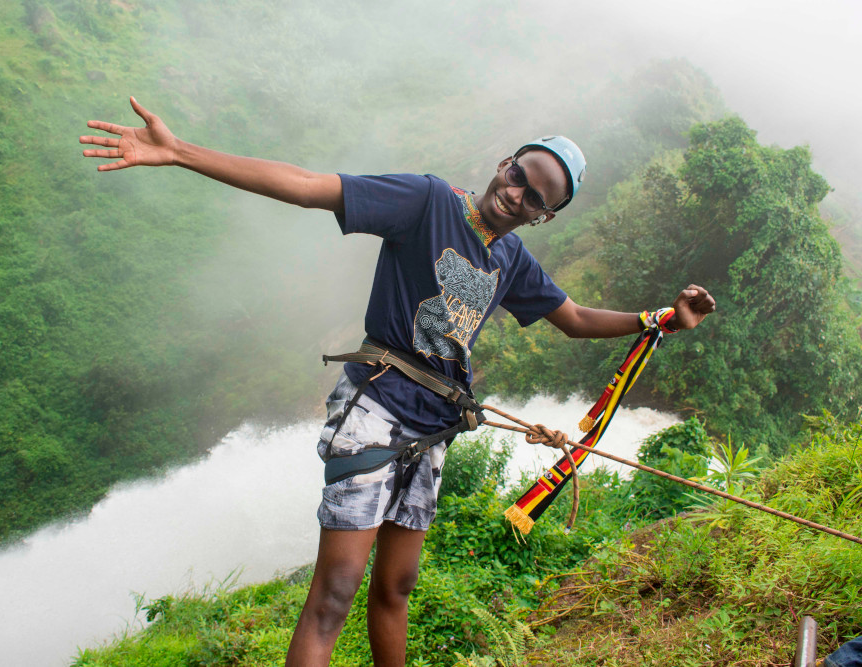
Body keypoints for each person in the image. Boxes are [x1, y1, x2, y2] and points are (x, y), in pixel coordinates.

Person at [80, 97, 716, 666]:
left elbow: (573, 319)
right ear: (504, 163)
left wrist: (660, 318)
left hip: (432, 429)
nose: (516, 195)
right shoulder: (427, 201)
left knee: (396, 588)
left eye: (535, 199)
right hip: (374, 409)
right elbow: (307, 186)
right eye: (518, 175)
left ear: (544, 216)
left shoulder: (511, 259)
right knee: (334, 592)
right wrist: (179, 152)